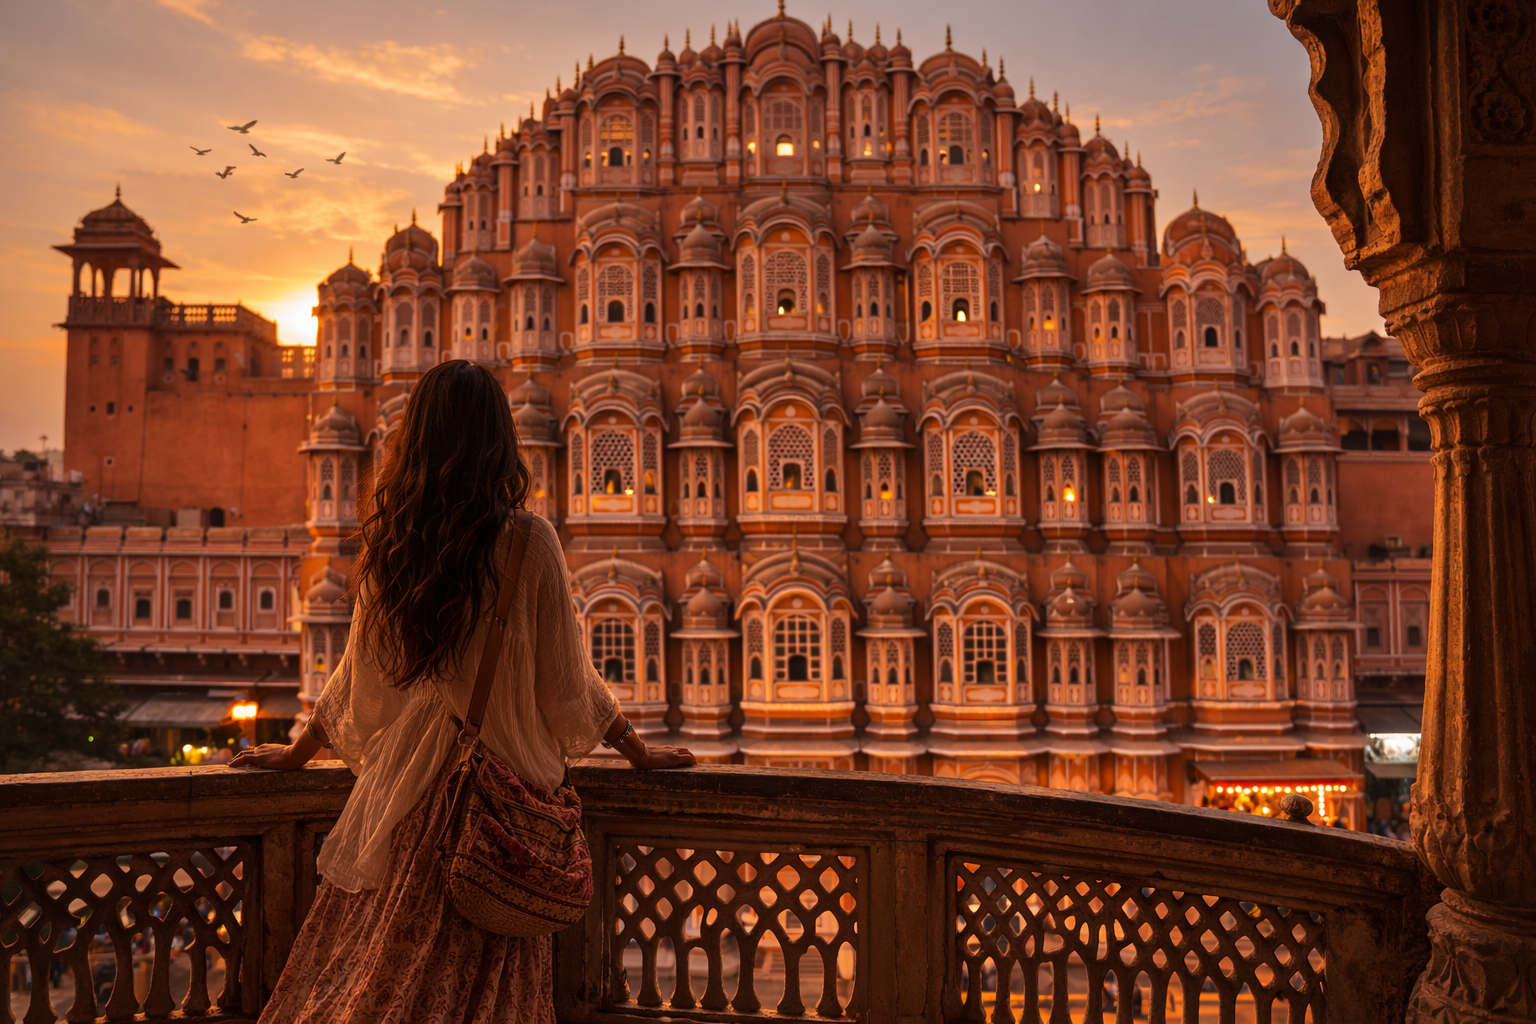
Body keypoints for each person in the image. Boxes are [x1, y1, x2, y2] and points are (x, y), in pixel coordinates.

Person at [231, 360, 694, 1022]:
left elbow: (358, 678)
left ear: (416, 440)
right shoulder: (527, 542)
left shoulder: (394, 542)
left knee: (375, 983)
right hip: (495, 816)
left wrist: (297, 754)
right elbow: (566, 685)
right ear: (499, 441)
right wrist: (637, 749)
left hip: (406, 805)